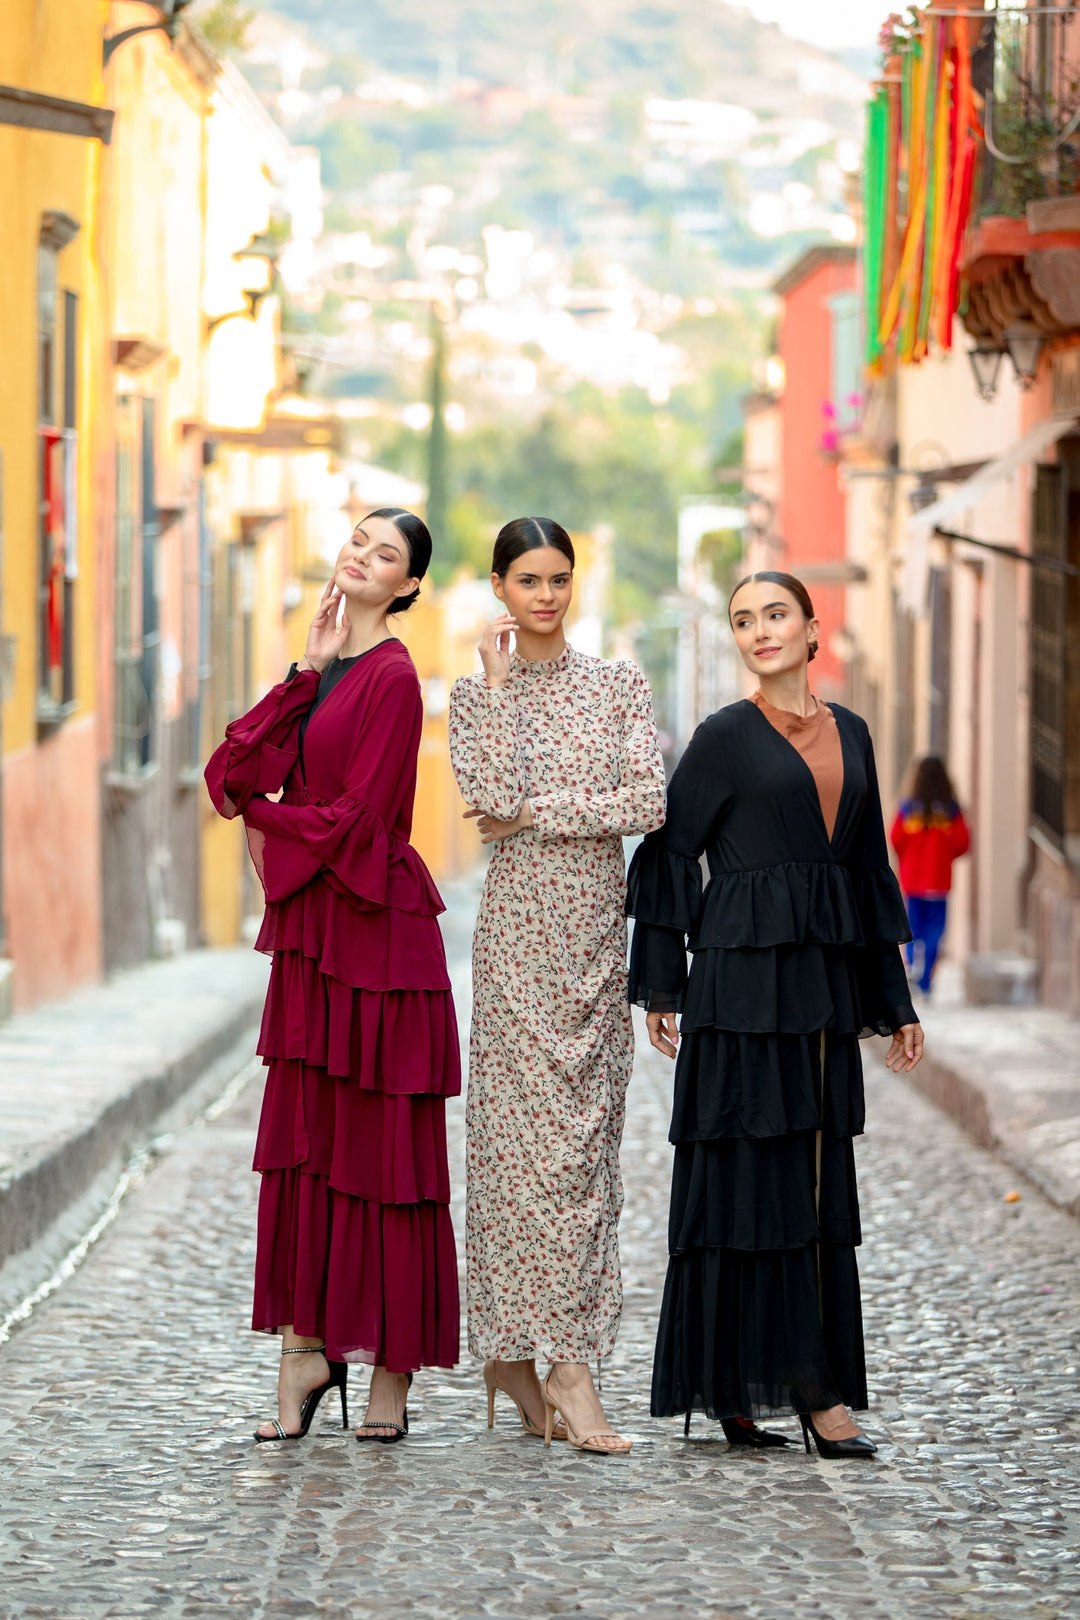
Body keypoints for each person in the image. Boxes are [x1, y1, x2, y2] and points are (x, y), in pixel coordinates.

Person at [626, 570, 924, 1459]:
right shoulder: (723, 738)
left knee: (817, 1187)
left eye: (775, 615)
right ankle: (777, 1387)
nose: (760, 630)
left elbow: (869, 874)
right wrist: (663, 984)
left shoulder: (855, 735)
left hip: (823, 994)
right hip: (740, 996)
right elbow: (670, 853)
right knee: (746, 1187)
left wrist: (893, 999)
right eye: (743, 620)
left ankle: (799, 1376)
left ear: (811, 628)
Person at [205, 508, 460, 1445]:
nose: (364, 555)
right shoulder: (326, 669)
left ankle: (390, 1374)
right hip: (316, 943)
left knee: (386, 1160)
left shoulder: (394, 677)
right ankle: (305, 1349)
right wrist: (302, 674)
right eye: (358, 540)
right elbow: (232, 770)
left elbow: (358, 823)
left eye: (386, 554)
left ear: (407, 586)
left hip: (381, 948)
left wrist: (268, 826)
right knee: (311, 1148)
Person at [448, 516, 667, 1455]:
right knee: (512, 1152)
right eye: (528, 580)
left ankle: (562, 1355)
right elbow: (484, 800)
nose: (546, 595)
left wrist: (539, 812)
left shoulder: (618, 684)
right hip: (513, 951)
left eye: (559, 579)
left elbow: (649, 803)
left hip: (590, 944)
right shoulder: (472, 695)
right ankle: (527, 1358)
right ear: (498, 588)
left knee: (583, 1158)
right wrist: (496, 696)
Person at [890, 758, 970, 995]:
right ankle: (926, 981)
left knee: (913, 928)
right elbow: (963, 842)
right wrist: (945, 856)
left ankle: (914, 966)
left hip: (913, 881)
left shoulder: (907, 808)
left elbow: (896, 839)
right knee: (935, 931)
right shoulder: (951, 810)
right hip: (938, 882)